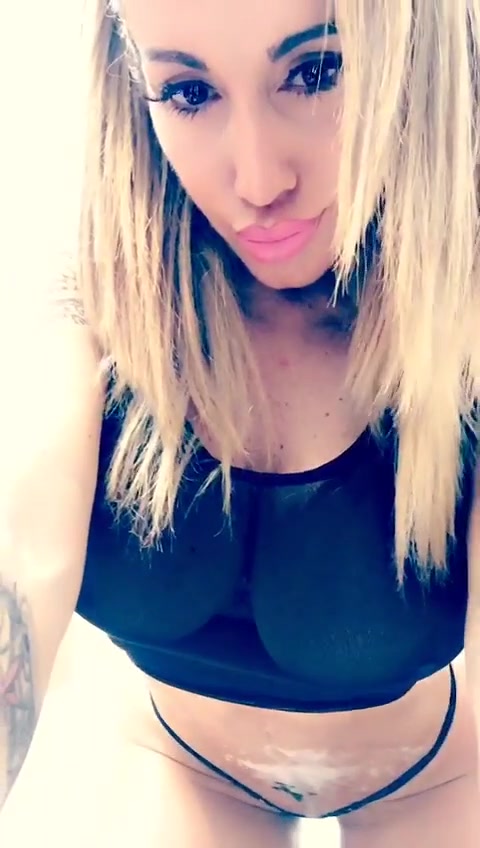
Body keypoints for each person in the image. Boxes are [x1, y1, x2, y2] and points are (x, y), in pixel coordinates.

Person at [1, 0, 480, 844]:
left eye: (317, 72)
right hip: (183, 764)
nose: (259, 183)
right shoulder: (94, 309)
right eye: (189, 93)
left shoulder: (463, 332)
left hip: (430, 779)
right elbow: (20, 555)